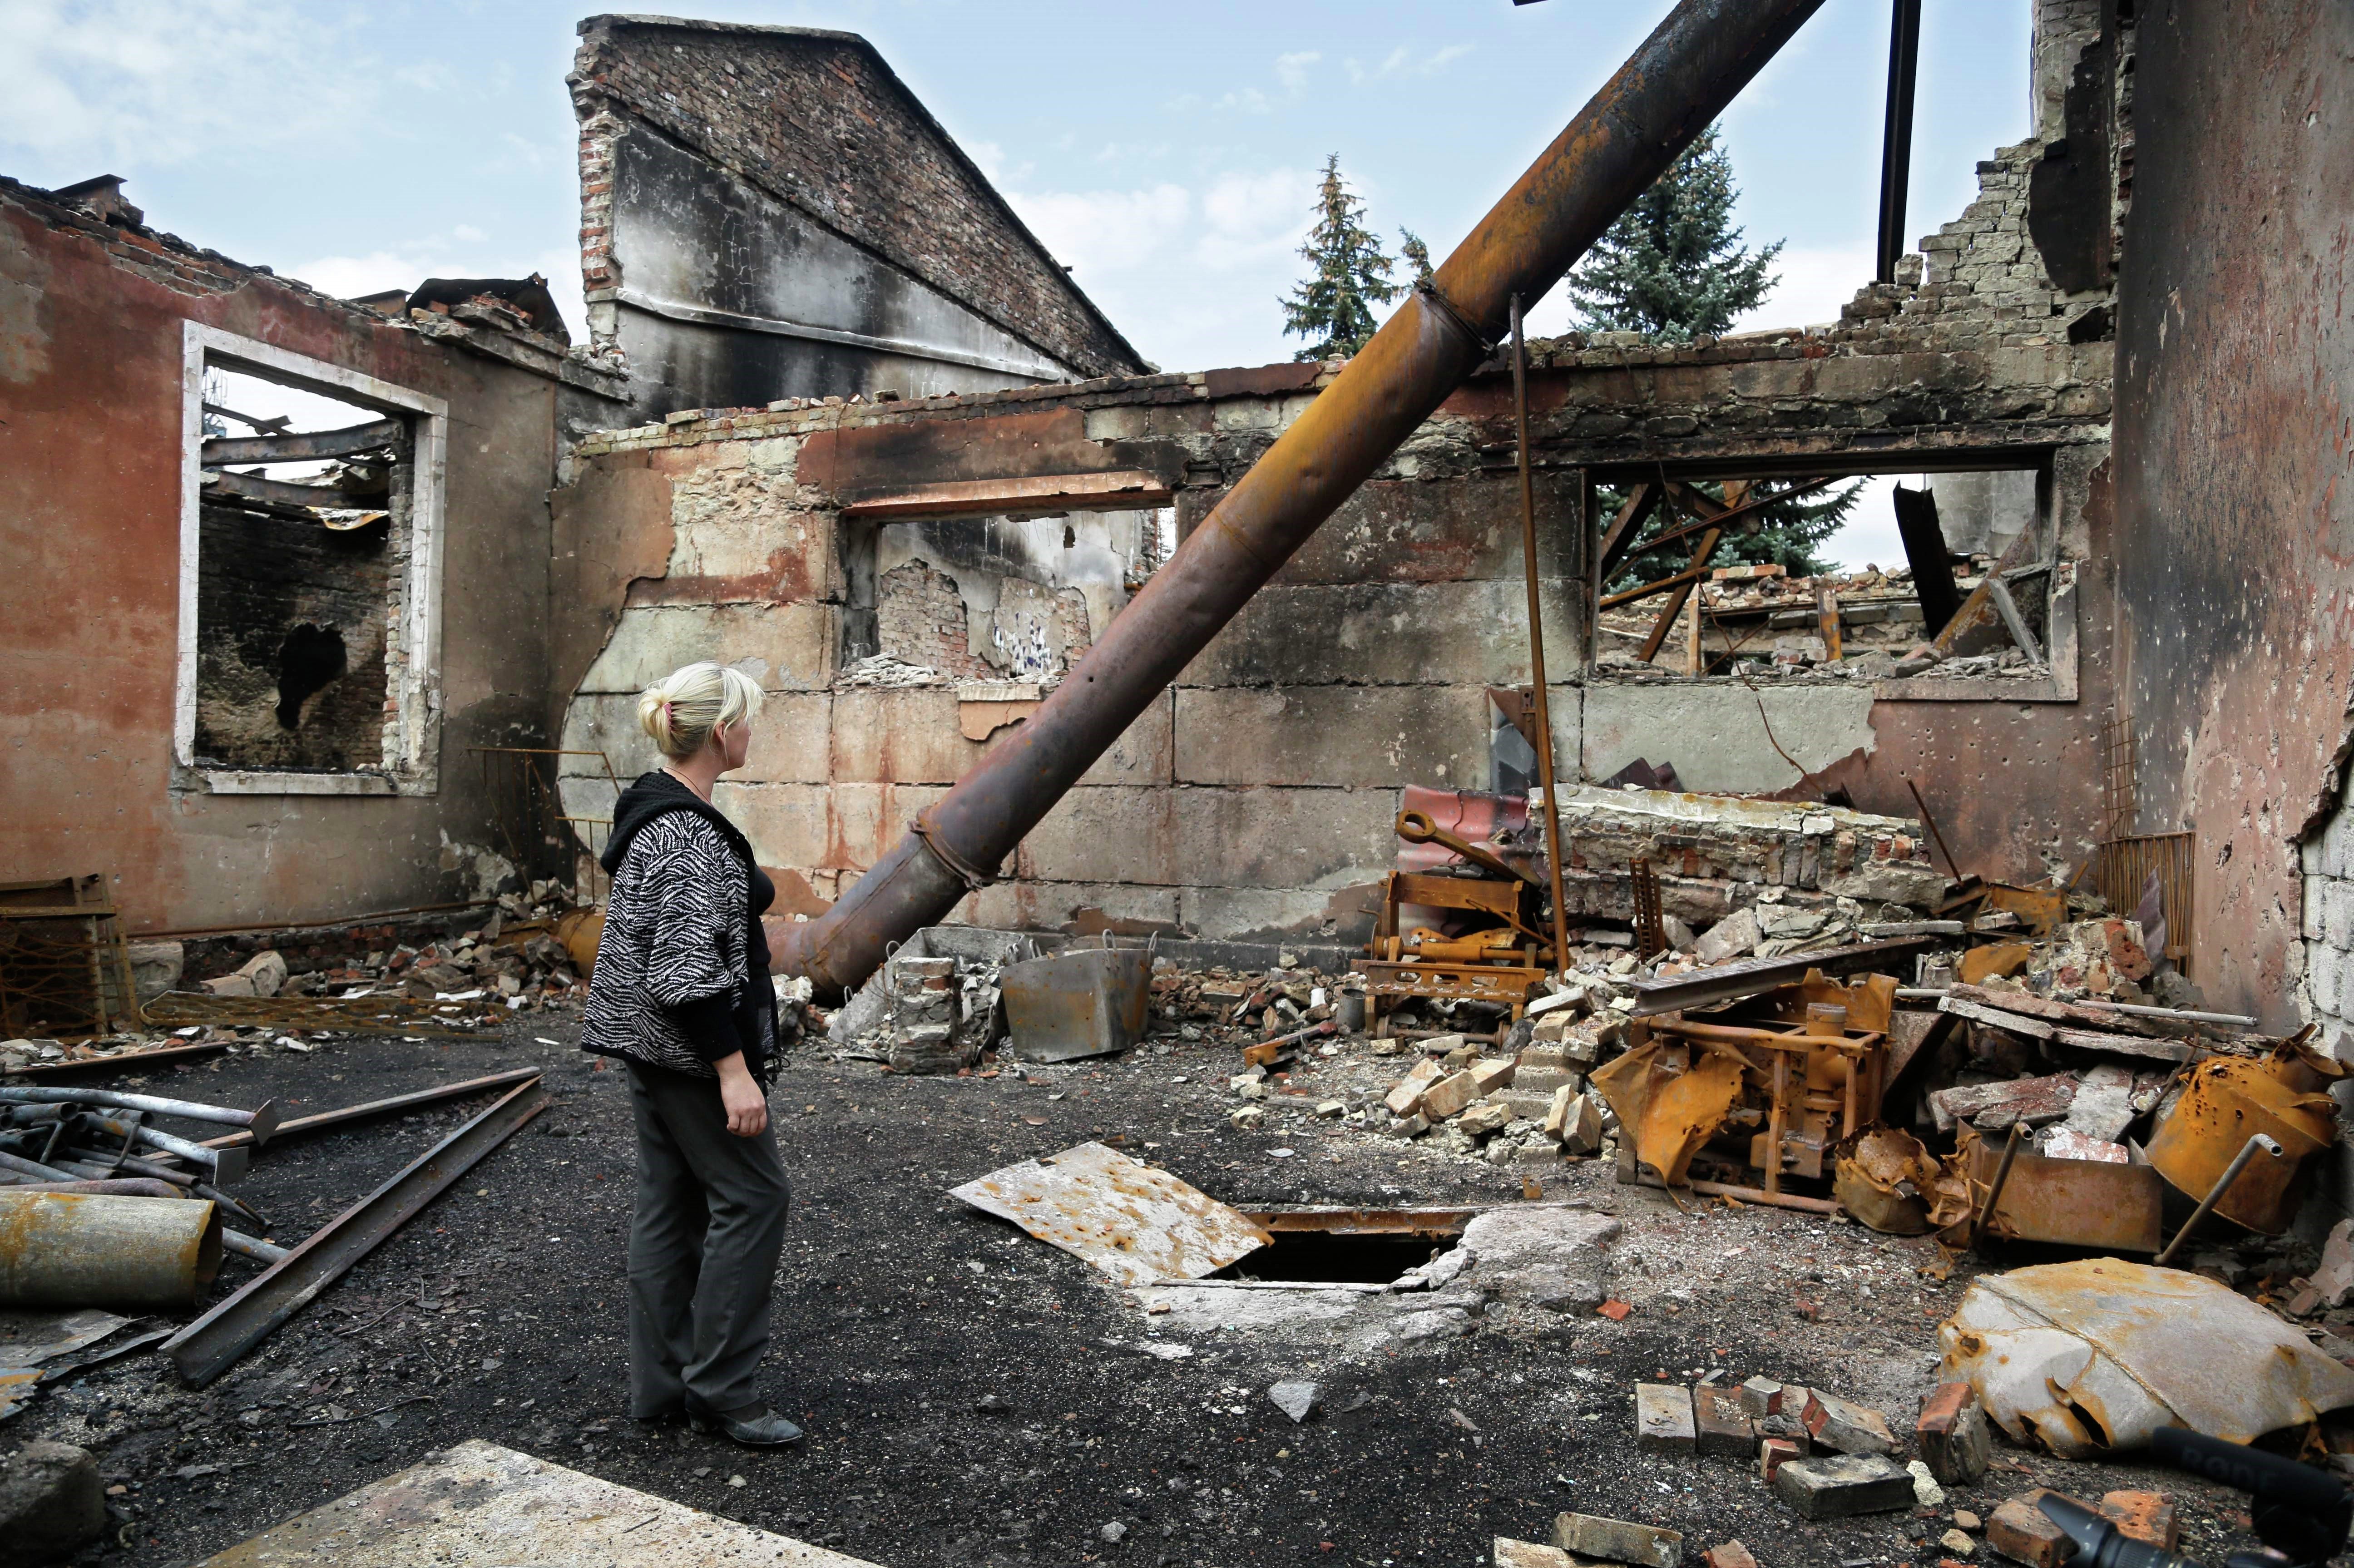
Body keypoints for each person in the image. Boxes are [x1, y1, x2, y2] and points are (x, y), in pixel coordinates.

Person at [581, 660, 801, 1447]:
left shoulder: (661, 810)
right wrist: (734, 1072)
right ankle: (724, 1391)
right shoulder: (683, 832)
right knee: (756, 1197)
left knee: (670, 1206)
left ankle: (662, 1388)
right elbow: (683, 973)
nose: (752, 733)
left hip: (654, 1051)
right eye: (746, 721)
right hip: (688, 1055)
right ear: (719, 733)